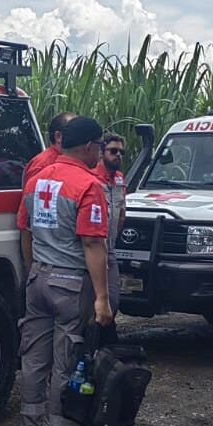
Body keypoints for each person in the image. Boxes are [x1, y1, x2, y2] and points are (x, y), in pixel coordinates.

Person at [15, 116, 116, 426]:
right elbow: (92, 243)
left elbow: (25, 230)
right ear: (89, 146)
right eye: (99, 146)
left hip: (38, 279)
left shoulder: (37, 180)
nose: (100, 153)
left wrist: (33, 271)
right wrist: (102, 298)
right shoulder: (89, 185)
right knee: (67, 366)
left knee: (33, 362)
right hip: (71, 284)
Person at [97, 132, 129, 313]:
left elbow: (122, 212)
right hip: (93, 248)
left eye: (121, 152)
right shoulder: (92, 176)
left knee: (114, 300)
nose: (118, 155)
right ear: (101, 152)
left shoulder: (119, 178)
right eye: (113, 151)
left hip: (110, 249)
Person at [23, 111, 78, 187]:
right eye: (75, 133)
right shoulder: (43, 163)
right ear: (58, 136)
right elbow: (32, 192)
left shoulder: (75, 160)